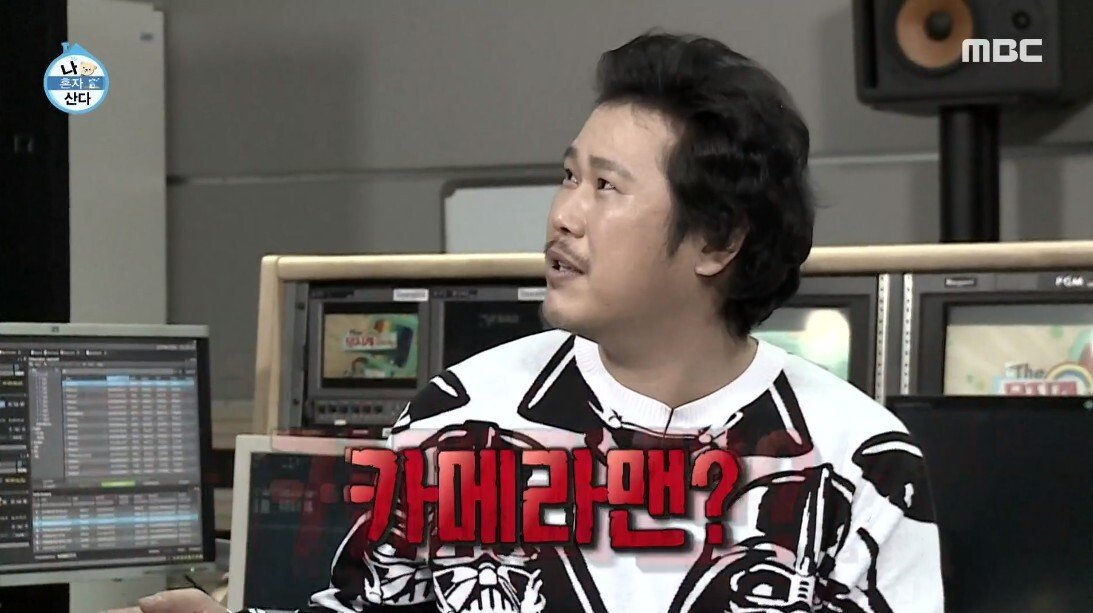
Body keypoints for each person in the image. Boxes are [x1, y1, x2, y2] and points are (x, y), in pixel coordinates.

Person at [133, 31, 943, 613]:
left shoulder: (859, 462)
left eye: (606, 187)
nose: (562, 215)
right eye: (567, 176)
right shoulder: (458, 418)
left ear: (717, 240)